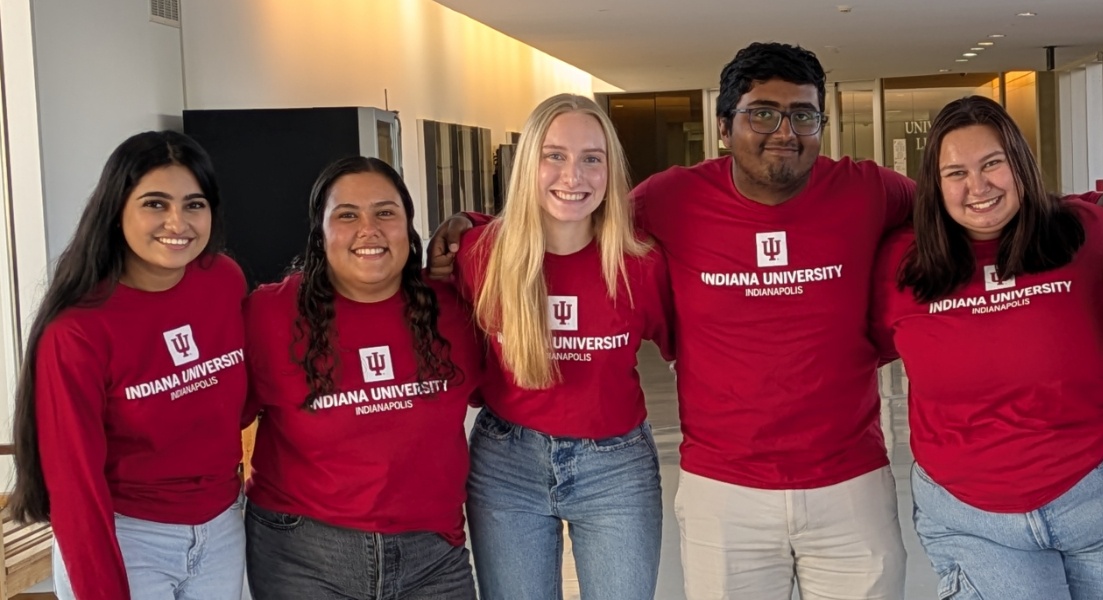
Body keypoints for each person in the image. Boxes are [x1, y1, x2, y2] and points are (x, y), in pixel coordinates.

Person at [429, 43, 914, 599]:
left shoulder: (868, 188)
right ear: (725, 127)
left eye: (803, 114)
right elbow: (571, 217)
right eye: (762, 113)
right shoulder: (672, 200)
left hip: (846, 478)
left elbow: (951, 217)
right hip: (717, 486)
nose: (785, 130)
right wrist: (468, 226)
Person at [868, 97, 1103, 598]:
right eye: (956, 172)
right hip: (974, 518)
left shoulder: (1092, 234)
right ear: (933, 184)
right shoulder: (900, 266)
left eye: (993, 163)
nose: (979, 186)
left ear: (1020, 162)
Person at [447, 94, 672, 600]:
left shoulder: (642, 264)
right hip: (506, 465)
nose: (574, 176)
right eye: (555, 156)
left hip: (616, 468)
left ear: (610, 170)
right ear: (529, 162)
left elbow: (701, 351)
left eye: (592, 158)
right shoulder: (478, 256)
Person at [9, 131, 249, 599]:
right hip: (129, 537)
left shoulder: (223, 280)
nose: (177, 222)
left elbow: (241, 399)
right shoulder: (78, 331)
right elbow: (75, 486)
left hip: (222, 527)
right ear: (116, 211)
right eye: (155, 204)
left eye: (194, 204)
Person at [240, 157, 484, 599]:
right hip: (302, 553)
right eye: (347, 214)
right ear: (321, 233)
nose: (368, 229)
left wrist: (471, 223)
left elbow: (535, 242)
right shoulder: (267, 315)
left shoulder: (456, 309)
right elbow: (213, 419)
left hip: (432, 555)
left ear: (410, 228)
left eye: (385, 212)